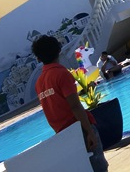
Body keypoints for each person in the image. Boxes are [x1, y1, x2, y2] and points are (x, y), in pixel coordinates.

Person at [31, 35, 109, 172]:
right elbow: (75, 105)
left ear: (38, 58)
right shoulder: (61, 74)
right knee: (98, 168)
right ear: (59, 51)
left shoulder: (39, 83)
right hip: (80, 130)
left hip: (63, 136)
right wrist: (89, 131)